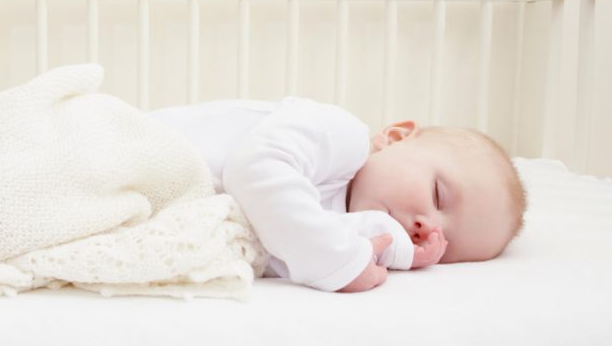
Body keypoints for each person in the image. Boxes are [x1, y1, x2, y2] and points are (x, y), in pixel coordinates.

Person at [149, 97, 527, 293]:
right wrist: (336, 262)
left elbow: (272, 243)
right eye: (438, 195)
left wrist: (383, 243)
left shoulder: (336, 228)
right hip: (128, 149)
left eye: (446, 245)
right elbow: (253, 168)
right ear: (395, 137)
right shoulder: (339, 135)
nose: (427, 226)